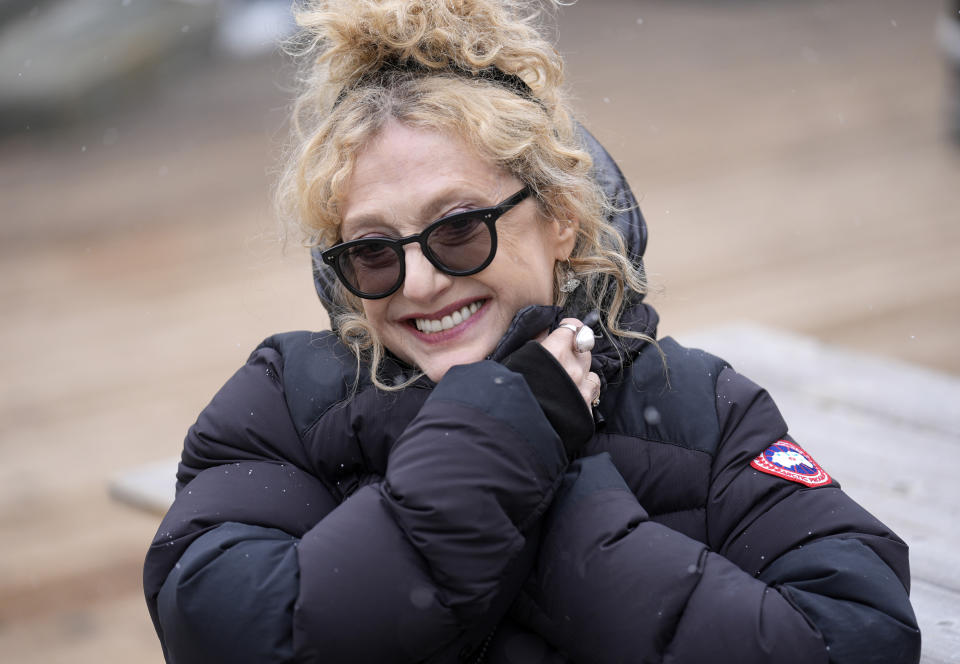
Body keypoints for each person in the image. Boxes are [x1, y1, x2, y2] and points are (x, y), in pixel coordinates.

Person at [143, 1, 921, 662]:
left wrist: (530, 486)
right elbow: (224, 627)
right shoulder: (284, 401)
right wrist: (500, 442)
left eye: (458, 231)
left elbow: (854, 633)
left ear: (560, 219)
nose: (418, 283)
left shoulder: (700, 405)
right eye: (374, 252)